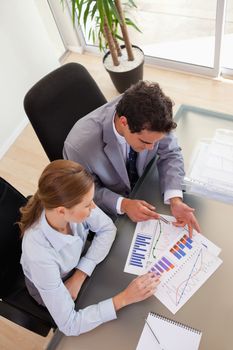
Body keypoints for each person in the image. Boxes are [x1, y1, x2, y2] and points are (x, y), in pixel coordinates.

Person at [19, 160, 159, 336]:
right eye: (87, 205)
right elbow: (70, 325)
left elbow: (108, 228)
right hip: (54, 283)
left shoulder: (66, 206)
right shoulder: (39, 256)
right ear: (62, 211)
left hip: (77, 264)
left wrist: (80, 274)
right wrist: (124, 298)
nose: (93, 208)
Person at [63, 81, 200, 236]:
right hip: (111, 211)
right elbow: (84, 192)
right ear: (124, 122)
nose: (151, 148)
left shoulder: (153, 113)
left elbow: (170, 152)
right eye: (145, 142)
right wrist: (124, 204)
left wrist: (175, 200)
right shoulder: (79, 146)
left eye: (155, 142)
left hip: (145, 188)